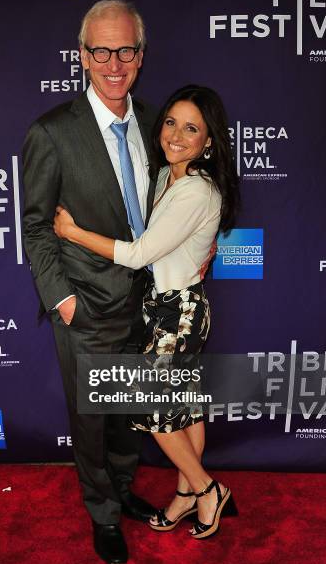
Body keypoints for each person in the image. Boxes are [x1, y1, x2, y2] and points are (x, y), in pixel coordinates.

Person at [53, 84, 241, 540]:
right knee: (185, 410)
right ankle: (185, 496)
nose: (176, 134)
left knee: (156, 412)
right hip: (166, 308)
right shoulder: (166, 176)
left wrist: (72, 232)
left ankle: (207, 489)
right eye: (172, 122)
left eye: (192, 128)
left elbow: (138, 254)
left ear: (209, 141)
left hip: (178, 313)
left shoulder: (195, 190)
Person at [22, 0, 157, 564]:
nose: (113, 63)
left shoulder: (157, 123)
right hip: (86, 309)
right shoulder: (51, 133)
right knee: (93, 422)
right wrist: (62, 299)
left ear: (140, 55)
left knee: (127, 412)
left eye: (124, 49)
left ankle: (123, 492)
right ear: (82, 55)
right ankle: (102, 514)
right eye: (100, 50)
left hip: (144, 305)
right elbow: (34, 226)